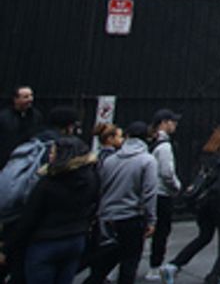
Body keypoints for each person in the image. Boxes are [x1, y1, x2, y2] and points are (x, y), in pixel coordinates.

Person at [2, 135, 98, 284]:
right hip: (76, 239)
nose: (50, 156)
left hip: (46, 242)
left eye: (53, 152)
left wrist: (7, 248)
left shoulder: (48, 183)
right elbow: (95, 205)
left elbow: (29, 218)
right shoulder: (91, 178)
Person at [161, 121, 220, 284]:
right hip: (219, 203)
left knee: (204, 236)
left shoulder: (207, 153)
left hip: (202, 202)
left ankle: (174, 264)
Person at [84, 120, 157, 284]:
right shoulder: (147, 160)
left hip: (108, 216)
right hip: (132, 217)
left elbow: (102, 187)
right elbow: (149, 193)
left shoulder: (111, 159)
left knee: (105, 260)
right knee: (129, 262)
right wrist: (151, 219)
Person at [145, 109, 181, 280]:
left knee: (144, 230)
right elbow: (167, 172)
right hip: (162, 193)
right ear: (164, 123)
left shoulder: (150, 141)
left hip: (148, 192)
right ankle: (155, 265)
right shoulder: (165, 146)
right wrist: (176, 186)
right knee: (161, 231)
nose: (175, 125)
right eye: (173, 122)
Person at [0, 88, 43, 167]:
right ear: (16, 99)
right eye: (26, 97)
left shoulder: (36, 115)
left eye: (31, 96)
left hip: (30, 156)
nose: (30, 99)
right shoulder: (3, 117)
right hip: (7, 157)